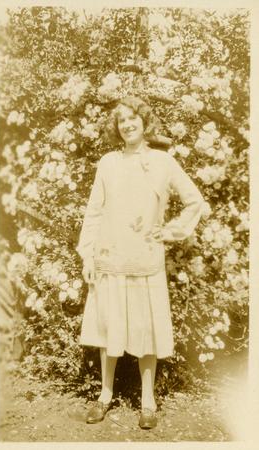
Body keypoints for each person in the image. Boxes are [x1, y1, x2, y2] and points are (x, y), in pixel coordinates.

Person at [76, 96, 205, 429]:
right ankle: (105, 395)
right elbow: (94, 210)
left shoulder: (163, 162)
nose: (127, 124)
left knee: (146, 331)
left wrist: (172, 230)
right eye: (122, 120)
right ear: (116, 127)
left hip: (146, 259)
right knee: (109, 331)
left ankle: (148, 401)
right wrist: (88, 254)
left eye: (133, 118)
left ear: (145, 122)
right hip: (109, 258)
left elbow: (195, 202)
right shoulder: (107, 162)